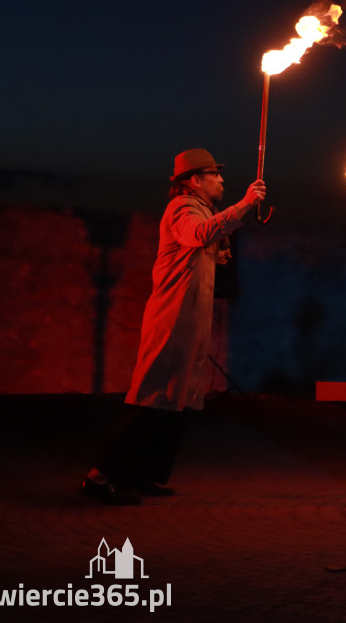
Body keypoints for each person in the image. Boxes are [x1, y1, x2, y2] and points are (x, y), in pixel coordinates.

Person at [81, 148, 266, 504]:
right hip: (172, 317)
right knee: (151, 395)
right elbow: (197, 236)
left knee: (176, 398)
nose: (222, 179)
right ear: (195, 180)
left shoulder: (201, 210)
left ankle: (143, 474)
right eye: (215, 174)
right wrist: (243, 204)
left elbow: (202, 245)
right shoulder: (182, 208)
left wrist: (221, 252)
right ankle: (99, 475)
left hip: (190, 318)